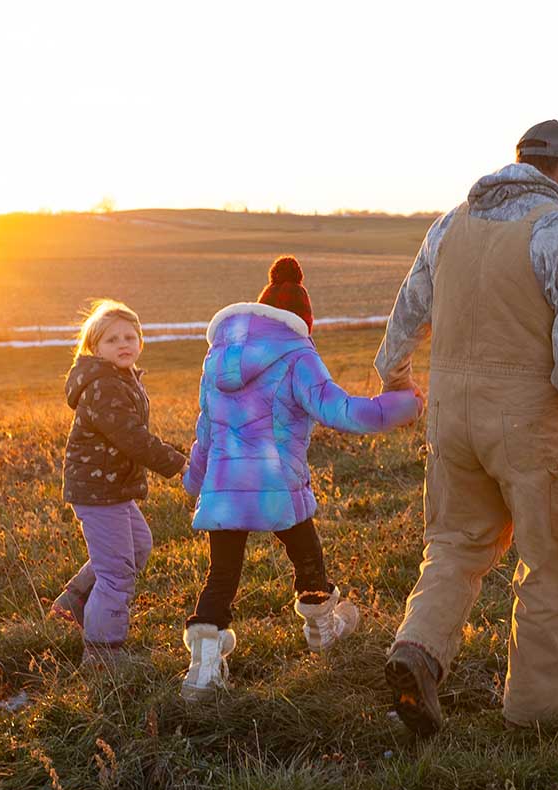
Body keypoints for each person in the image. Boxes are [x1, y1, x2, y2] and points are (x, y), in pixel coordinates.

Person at [376, 120, 558, 735]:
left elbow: (406, 313)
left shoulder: (448, 225)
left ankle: (419, 650)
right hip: (528, 421)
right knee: (549, 561)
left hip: (449, 418)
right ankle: (533, 713)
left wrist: (396, 380)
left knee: (456, 546)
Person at [179, 256, 421, 701]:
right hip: (279, 487)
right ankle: (321, 629)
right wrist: (405, 404)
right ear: (301, 323)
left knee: (222, 574)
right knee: (306, 555)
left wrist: (195, 482)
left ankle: (203, 670)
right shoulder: (298, 355)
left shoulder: (216, 361)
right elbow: (342, 410)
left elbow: (207, 430)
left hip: (225, 494)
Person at [51, 300, 187, 664]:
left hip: (113, 488)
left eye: (130, 336)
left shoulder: (122, 378)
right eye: (112, 340)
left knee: (139, 546)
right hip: (98, 491)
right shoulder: (103, 386)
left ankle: (74, 602)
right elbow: (133, 439)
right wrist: (179, 465)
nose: (124, 344)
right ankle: (102, 654)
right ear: (95, 348)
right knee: (117, 572)